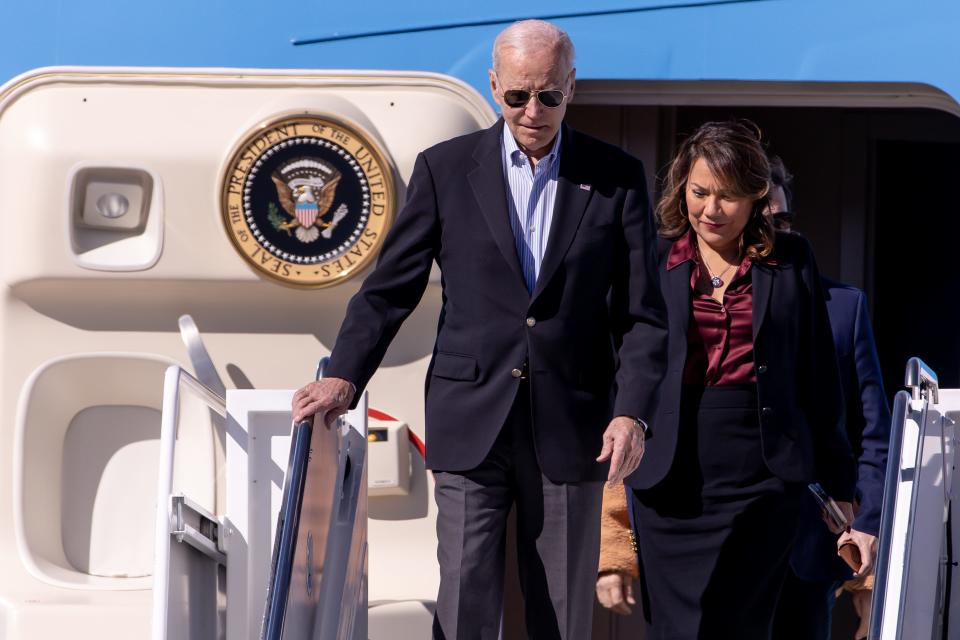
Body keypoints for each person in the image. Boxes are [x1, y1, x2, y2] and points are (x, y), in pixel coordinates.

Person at [291, 19, 668, 640]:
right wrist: (343, 377)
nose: (533, 110)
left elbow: (643, 316)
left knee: (562, 614)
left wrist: (632, 414)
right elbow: (391, 288)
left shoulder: (617, 177)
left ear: (572, 88)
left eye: (548, 94)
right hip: (470, 417)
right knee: (465, 594)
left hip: (572, 424)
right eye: (518, 95)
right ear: (494, 86)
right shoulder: (444, 169)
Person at [595, 121, 856, 640]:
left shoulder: (792, 258)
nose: (712, 209)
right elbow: (624, 361)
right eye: (700, 192)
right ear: (682, 189)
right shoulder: (651, 254)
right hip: (670, 475)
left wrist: (841, 485)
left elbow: (820, 379)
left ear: (757, 197)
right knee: (675, 630)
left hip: (762, 477)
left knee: (740, 626)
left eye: (729, 196)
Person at [767, 156, 890, 640]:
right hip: (724, 544)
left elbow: (873, 433)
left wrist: (868, 520)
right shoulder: (705, 302)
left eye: (781, 220)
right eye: (761, 221)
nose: (773, 232)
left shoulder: (842, 308)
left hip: (809, 547)